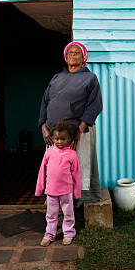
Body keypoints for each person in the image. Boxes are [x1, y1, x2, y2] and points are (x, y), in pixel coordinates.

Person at [38, 41, 103, 203]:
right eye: (70, 53)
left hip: (77, 132)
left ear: (84, 57)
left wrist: (79, 131)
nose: (72, 55)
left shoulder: (90, 78)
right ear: (65, 57)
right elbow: (45, 102)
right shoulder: (57, 77)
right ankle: (55, 201)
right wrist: (43, 127)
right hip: (55, 134)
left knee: (80, 166)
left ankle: (82, 201)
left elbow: (94, 105)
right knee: (56, 169)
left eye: (77, 53)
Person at [35, 121, 81, 246]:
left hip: (66, 191)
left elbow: (76, 174)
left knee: (68, 213)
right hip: (51, 191)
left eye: (63, 139)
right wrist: (39, 189)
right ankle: (49, 235)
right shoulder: (49, 152)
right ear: (52, 138)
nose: (59, 141)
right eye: (56, 138)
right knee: (51, 215)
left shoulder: (72, 154)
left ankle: (69, 233)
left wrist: (76, 192)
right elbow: (42, 171)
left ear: (69, 139)